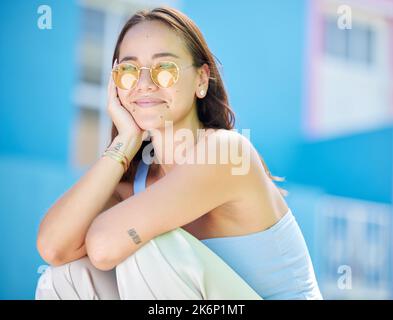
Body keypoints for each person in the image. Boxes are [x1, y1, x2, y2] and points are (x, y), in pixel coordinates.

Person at [35, 6, 322, 300]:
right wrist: (124, 143)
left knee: (142, 244)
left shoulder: (226, 152)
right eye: (129, 71)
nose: (144, 84)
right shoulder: (135, 184)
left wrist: (112, 231)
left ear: (201, 80)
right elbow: (55, 248)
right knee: (64, 277)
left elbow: (105, 245)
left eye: (165, 69)